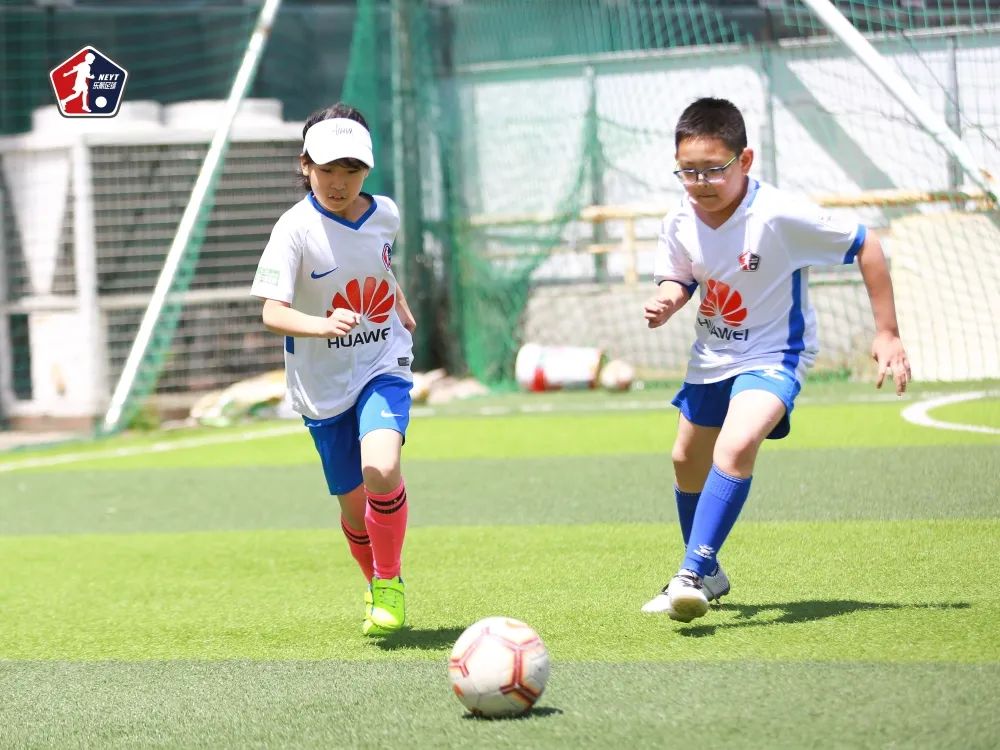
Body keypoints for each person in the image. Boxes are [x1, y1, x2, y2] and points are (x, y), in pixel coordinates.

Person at [641, 97, 911, 623]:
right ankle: (708, 572)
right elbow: (680, 276)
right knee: (685, 459)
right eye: (688, 171)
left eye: (713, 169)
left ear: (745, 160)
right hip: (711, 356)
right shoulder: (678, 220)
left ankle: (689, 573)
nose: (700, 182)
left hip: (775, 355)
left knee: (736, 445)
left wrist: (887, 332)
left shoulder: (778, 215)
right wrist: (668, 301)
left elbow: (867, 243)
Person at [250, 103, 417, 636]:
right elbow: (271, 312)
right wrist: (320, 326)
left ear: (367, 169)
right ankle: (376, 581)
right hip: (321, 386)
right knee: (353, 509)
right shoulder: (293, 229)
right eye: (326, 169)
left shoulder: (386, 213)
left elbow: (380, 265)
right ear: (305, 166)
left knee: (381, 469)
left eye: (352, 169)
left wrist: (399, 301)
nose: (339, 182)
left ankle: (389, 583)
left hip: (381, 360)